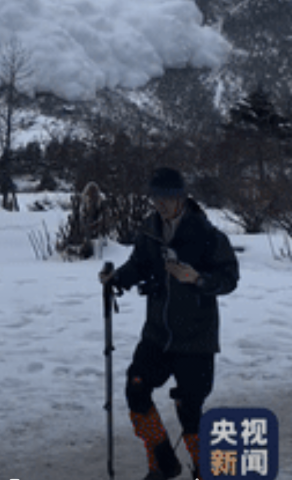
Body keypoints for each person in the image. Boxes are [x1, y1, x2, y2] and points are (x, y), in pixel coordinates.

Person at [100, 167, 239, 480]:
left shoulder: (207, 236)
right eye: (156, 198)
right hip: (157, 334)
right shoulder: (150, 231)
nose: (161, 204)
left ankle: (206, 469)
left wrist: (197, 279)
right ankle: (162, 461)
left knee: (189, 408)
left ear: (182, 197)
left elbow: (229, 278)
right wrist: (116, 278)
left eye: (168, 198)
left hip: (196, 337)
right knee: (136, 389)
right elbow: (139, 265)